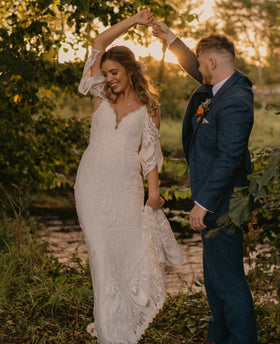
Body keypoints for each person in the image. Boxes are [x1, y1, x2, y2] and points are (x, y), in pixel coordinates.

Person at [74, 10, 183, 344]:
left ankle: (120, 319)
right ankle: (111, 333)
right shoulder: (99, 93)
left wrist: (153, 194)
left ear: (131, 70)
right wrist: (134, 20)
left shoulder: (150, 107)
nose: (109, 78)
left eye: (115, 71)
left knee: (125, 255)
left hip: (125, 187)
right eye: (105, 72)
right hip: (91, 184)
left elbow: (149, 155)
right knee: (100, 253)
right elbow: (98, 42)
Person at [152, 21, 258, 344]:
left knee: (228, 281)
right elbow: (192, 65)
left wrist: (203, 203)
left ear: (212, 62)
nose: (197, 70)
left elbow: (229, 158)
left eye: (201, 63)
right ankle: (219, 337)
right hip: (212, 199)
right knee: (215, 279)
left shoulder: (236, 100)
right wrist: (170, 38)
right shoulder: (218, 86)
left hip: (222, 203)